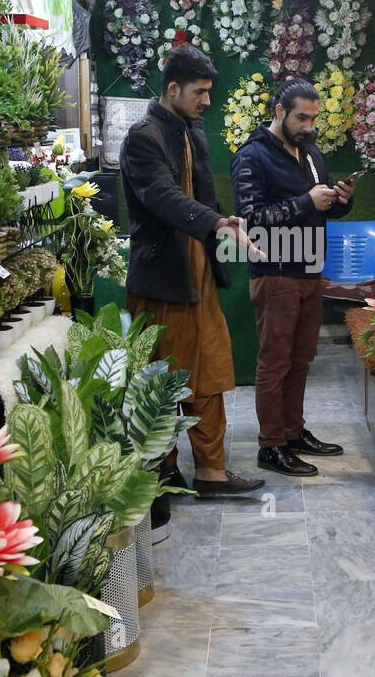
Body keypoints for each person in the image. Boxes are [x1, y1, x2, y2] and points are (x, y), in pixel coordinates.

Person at [118, 44, 264, 497]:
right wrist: (215, 222)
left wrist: (224, 218)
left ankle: (211, 471)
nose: (206, 101)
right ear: (173, 88)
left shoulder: (192, 131)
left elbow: (200, 197)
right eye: (199, 92)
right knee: (164, 378)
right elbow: (163, 197)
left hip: (199, 277)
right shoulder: (143, 137)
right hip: (163, 282)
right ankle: (163, 471)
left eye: (209, 93)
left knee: (213, 372)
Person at [230, 78, 353, 477]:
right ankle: (271, 445)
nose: (309, 126)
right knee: (275, 362)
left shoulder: (311, 152)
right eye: (302, 117)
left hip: (310, 270)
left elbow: (320, 210)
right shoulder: (251, 157)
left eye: (314, 118)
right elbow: (250, 220)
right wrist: (306, 201)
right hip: (275, 273)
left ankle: (294, 432)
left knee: (301, 360)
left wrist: (338, 202)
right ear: (279, 112)